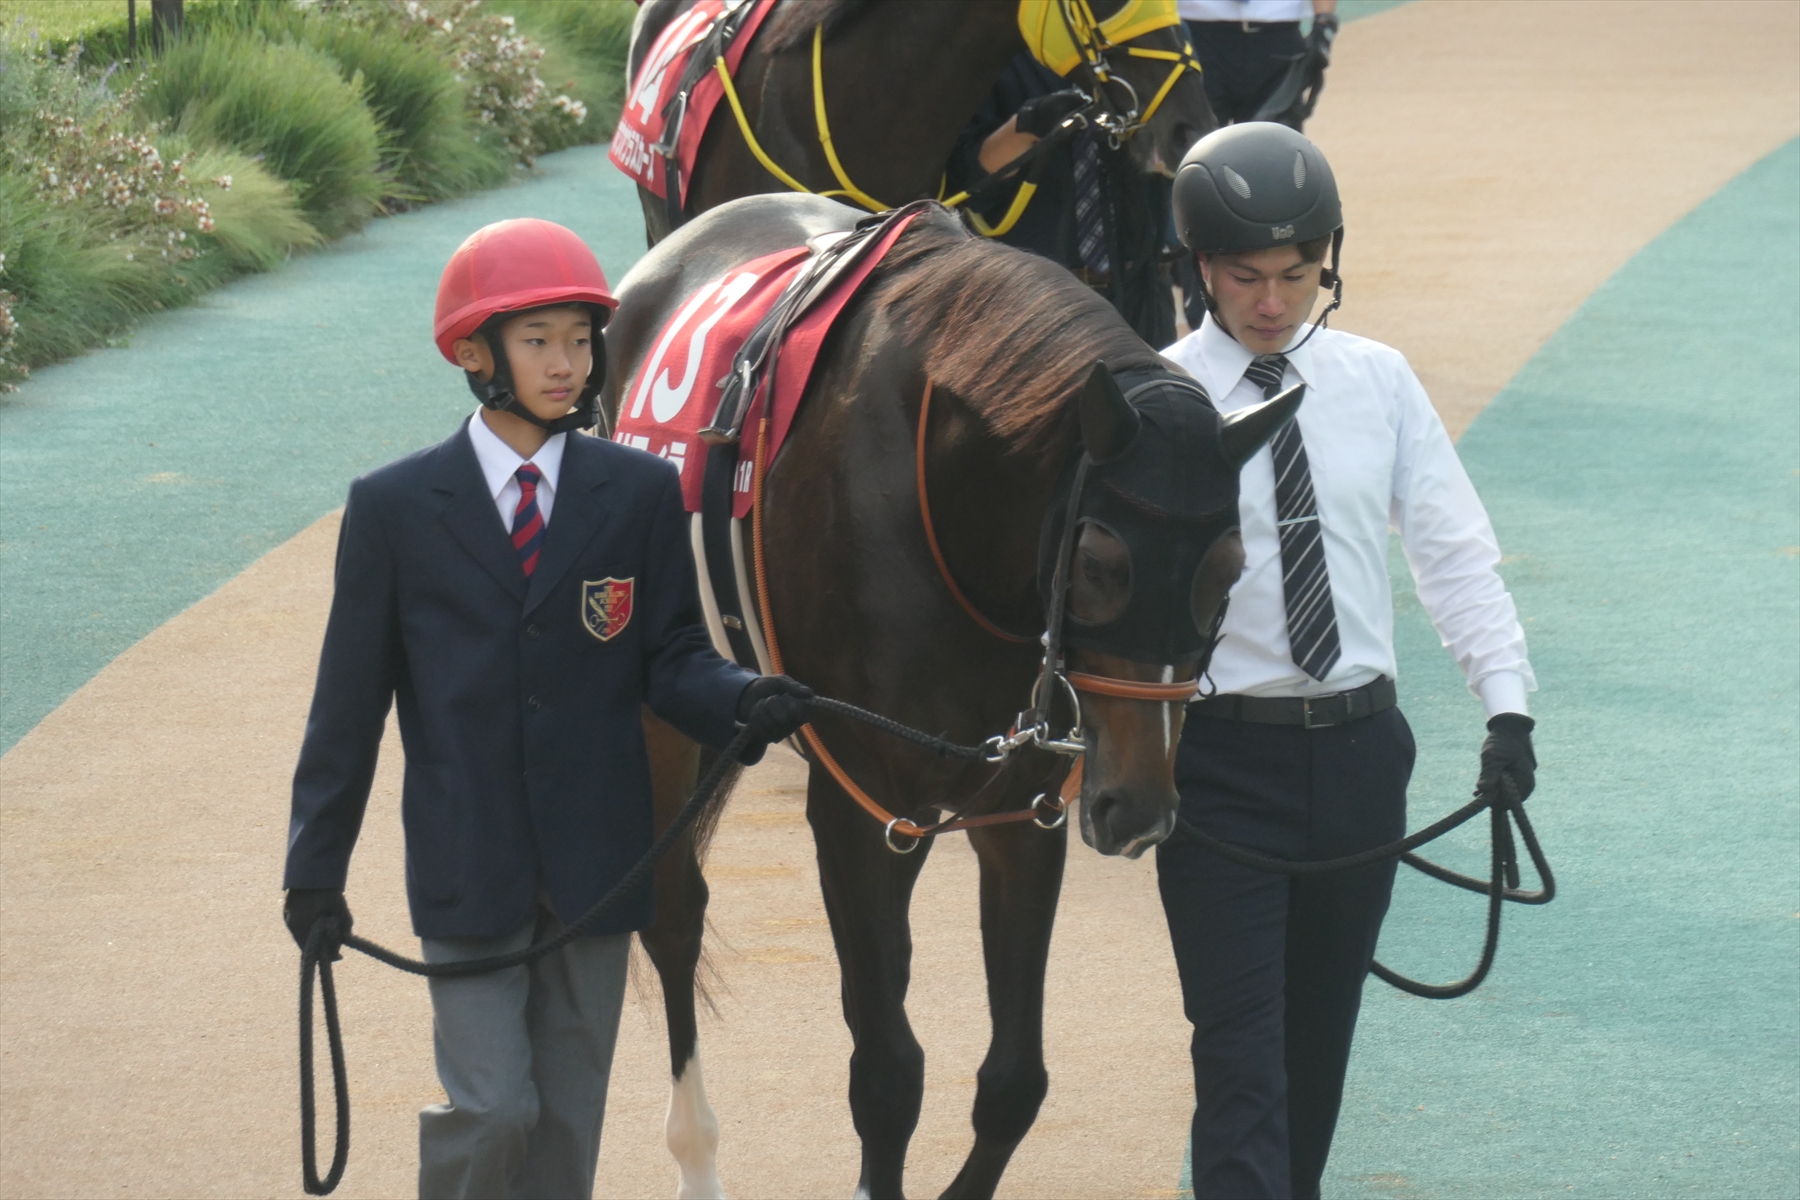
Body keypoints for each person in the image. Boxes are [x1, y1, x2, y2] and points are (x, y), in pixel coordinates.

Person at [279, 217, 811, 1200]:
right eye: (538, 342)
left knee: (566, 1134)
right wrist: (314, 873)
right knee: (492, 1108)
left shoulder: (641, 493)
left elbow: (671, 658)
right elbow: (345, 712)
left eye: (580, 340)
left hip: (596, 866)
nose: (567, 364)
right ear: (474, 354)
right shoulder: (394, 509)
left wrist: (743, 697)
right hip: (467, 864)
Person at [1155, 123, 1539, 1199]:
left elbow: (1453, 557)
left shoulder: (1380, 380)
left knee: (1313, 1055)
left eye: (1296, 274)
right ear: (1200, 267)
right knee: (1241, 1058)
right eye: (1246, 276)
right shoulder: (1158, 398)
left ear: (1327, 261)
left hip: (1364, 761)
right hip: (1219, 770)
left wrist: (1508, 711)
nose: (1272, 301)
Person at [945, 54, 1178, 347]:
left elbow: (1191, 132)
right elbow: (966, 188)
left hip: (1143, 291)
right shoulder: (995, 51)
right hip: (1030, 300)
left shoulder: (1150, 42)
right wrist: (1026, 125)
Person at [1175, 0, 1338, 330]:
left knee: (1277, 180)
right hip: (1194, 32)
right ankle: (1202, 309)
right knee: (1196, 178)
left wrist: (1324, 19)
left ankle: (1278, 312)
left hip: (1275, 35)